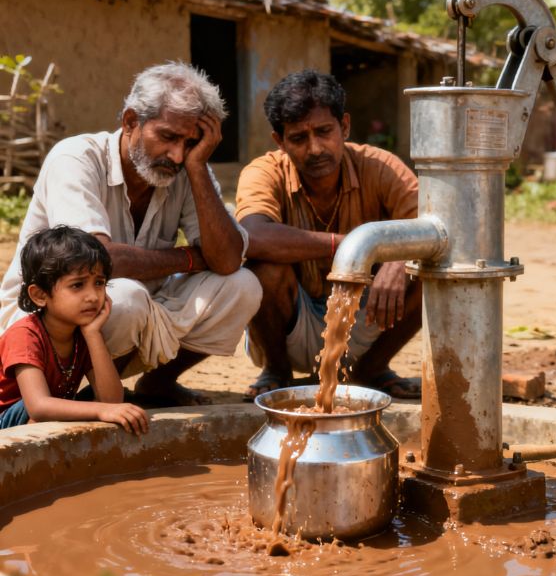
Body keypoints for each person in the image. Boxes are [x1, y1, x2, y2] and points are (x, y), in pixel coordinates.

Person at [0, 62, 262, 405]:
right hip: (48, 326)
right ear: (130, 122)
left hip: (132, 310)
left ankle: (156, 385)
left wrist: (198, 167)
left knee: (242, 286)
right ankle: (85, 398)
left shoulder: (186, 168)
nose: (178, 154)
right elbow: (97, 258)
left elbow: (227, 260)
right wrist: (189, 257)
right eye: (168, 137)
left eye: (191, 142)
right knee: (125, 298)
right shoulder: (76, 157)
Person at [236, 70, 420, 398]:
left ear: (344, 126)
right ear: (279, 141)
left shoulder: (381, 167)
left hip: (367, 315)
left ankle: (372, 368)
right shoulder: (263, 172)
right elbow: (254, 235)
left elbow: (436, 222)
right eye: (298, 138)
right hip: (291, 323)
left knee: (430, 271)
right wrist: (355, 245)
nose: (315, 148)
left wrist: (400, 256)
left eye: (324, 131)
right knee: (261, 270)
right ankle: (276, 371)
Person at [0, 226, 148, 433]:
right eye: (78, 285)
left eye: (99, 283)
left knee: (104, 410)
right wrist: (100, 411)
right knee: (45, 415)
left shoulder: (82, 333)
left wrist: (93, 335)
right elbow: (38, 406)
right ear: (40, 295)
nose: (93, 296)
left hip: (44, 410)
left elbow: (111, 400)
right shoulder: (25, 335)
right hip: (8, 421)